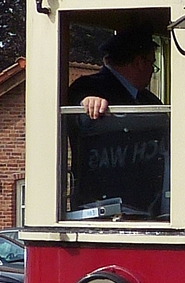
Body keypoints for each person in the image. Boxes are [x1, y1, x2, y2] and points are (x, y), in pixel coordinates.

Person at [65, 26, 168, 215]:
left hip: (148, 208)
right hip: (102, 210)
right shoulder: (89, 87)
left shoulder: (149, 100)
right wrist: (87, 102)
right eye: (152, 65)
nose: (152, 72)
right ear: (139, 62)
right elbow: (76, 107)